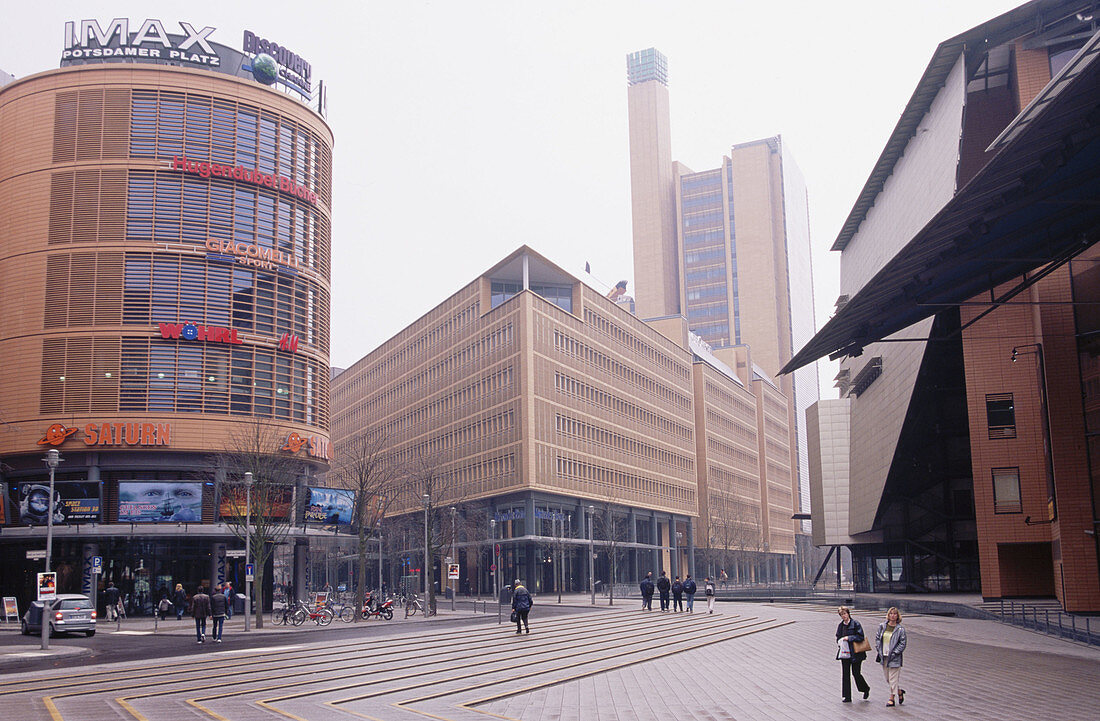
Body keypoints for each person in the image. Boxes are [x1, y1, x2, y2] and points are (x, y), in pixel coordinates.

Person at [836, 606, 871, 702]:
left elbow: (860, 637)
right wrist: (840, 642)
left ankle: (865, 688)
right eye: (841, 614)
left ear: (848, 613)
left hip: (856, 653)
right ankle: (847, 696)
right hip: (845, 653)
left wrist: (849, 638)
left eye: (845, 614)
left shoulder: (855, 624)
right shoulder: (841, 626)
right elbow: (838, 637)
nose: (844, 616)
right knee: (845, 674)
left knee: (856, 673)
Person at [875, 607, 907, 707]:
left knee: (893, 678)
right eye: (891, 614)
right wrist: (878, 648)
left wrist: (895, 653)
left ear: (898, 616)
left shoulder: (900, 629)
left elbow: (902, 643)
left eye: (895, 614)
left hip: (894, 657)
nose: (893, 616)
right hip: (884, 655)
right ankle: (899, 691)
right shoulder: (882, 626)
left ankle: (891, 698)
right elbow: (877, 638)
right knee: (888, 678)